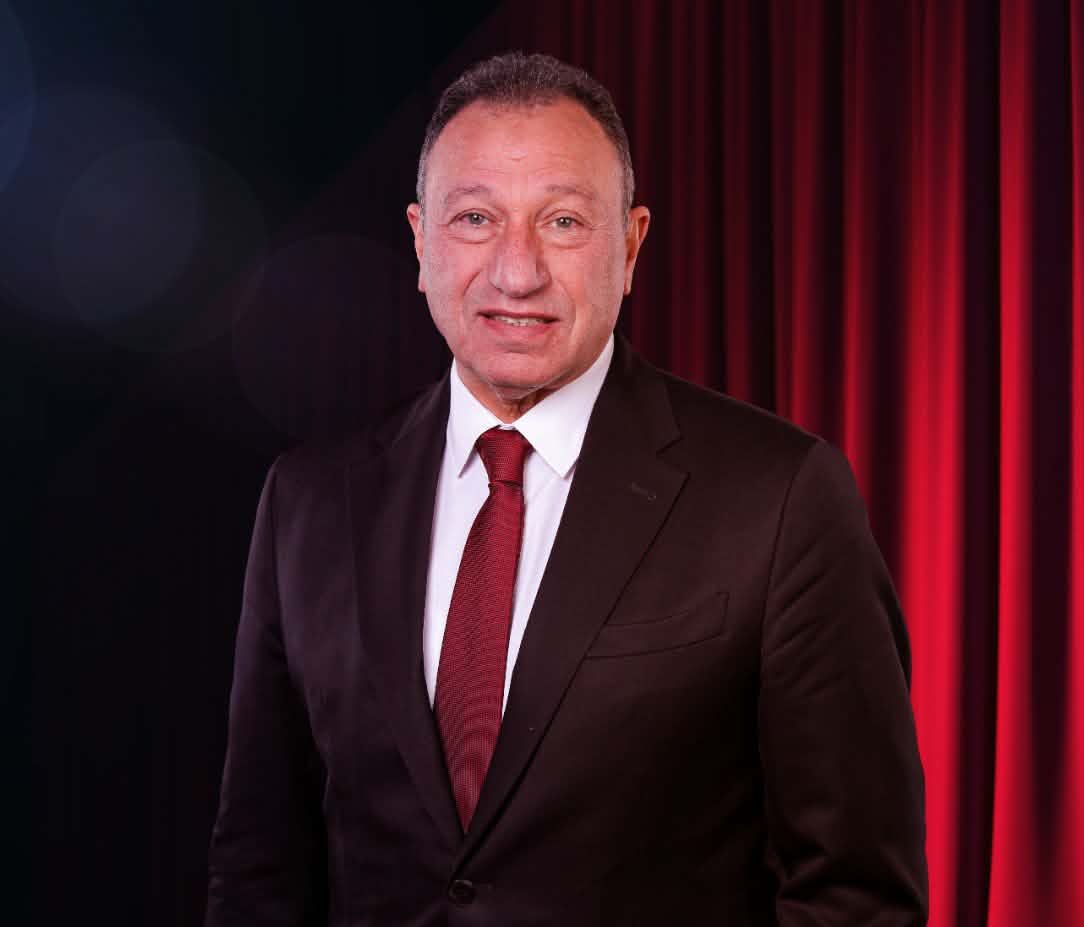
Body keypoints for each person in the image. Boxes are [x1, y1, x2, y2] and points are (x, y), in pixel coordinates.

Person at [207, 52, 927, 926]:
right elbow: (260, 869)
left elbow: (855, 894)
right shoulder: (308, 503)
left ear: (630, 246)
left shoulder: (781, 497)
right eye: (476, 218)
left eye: (563, 221)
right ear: (421, 241)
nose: (517, 272)